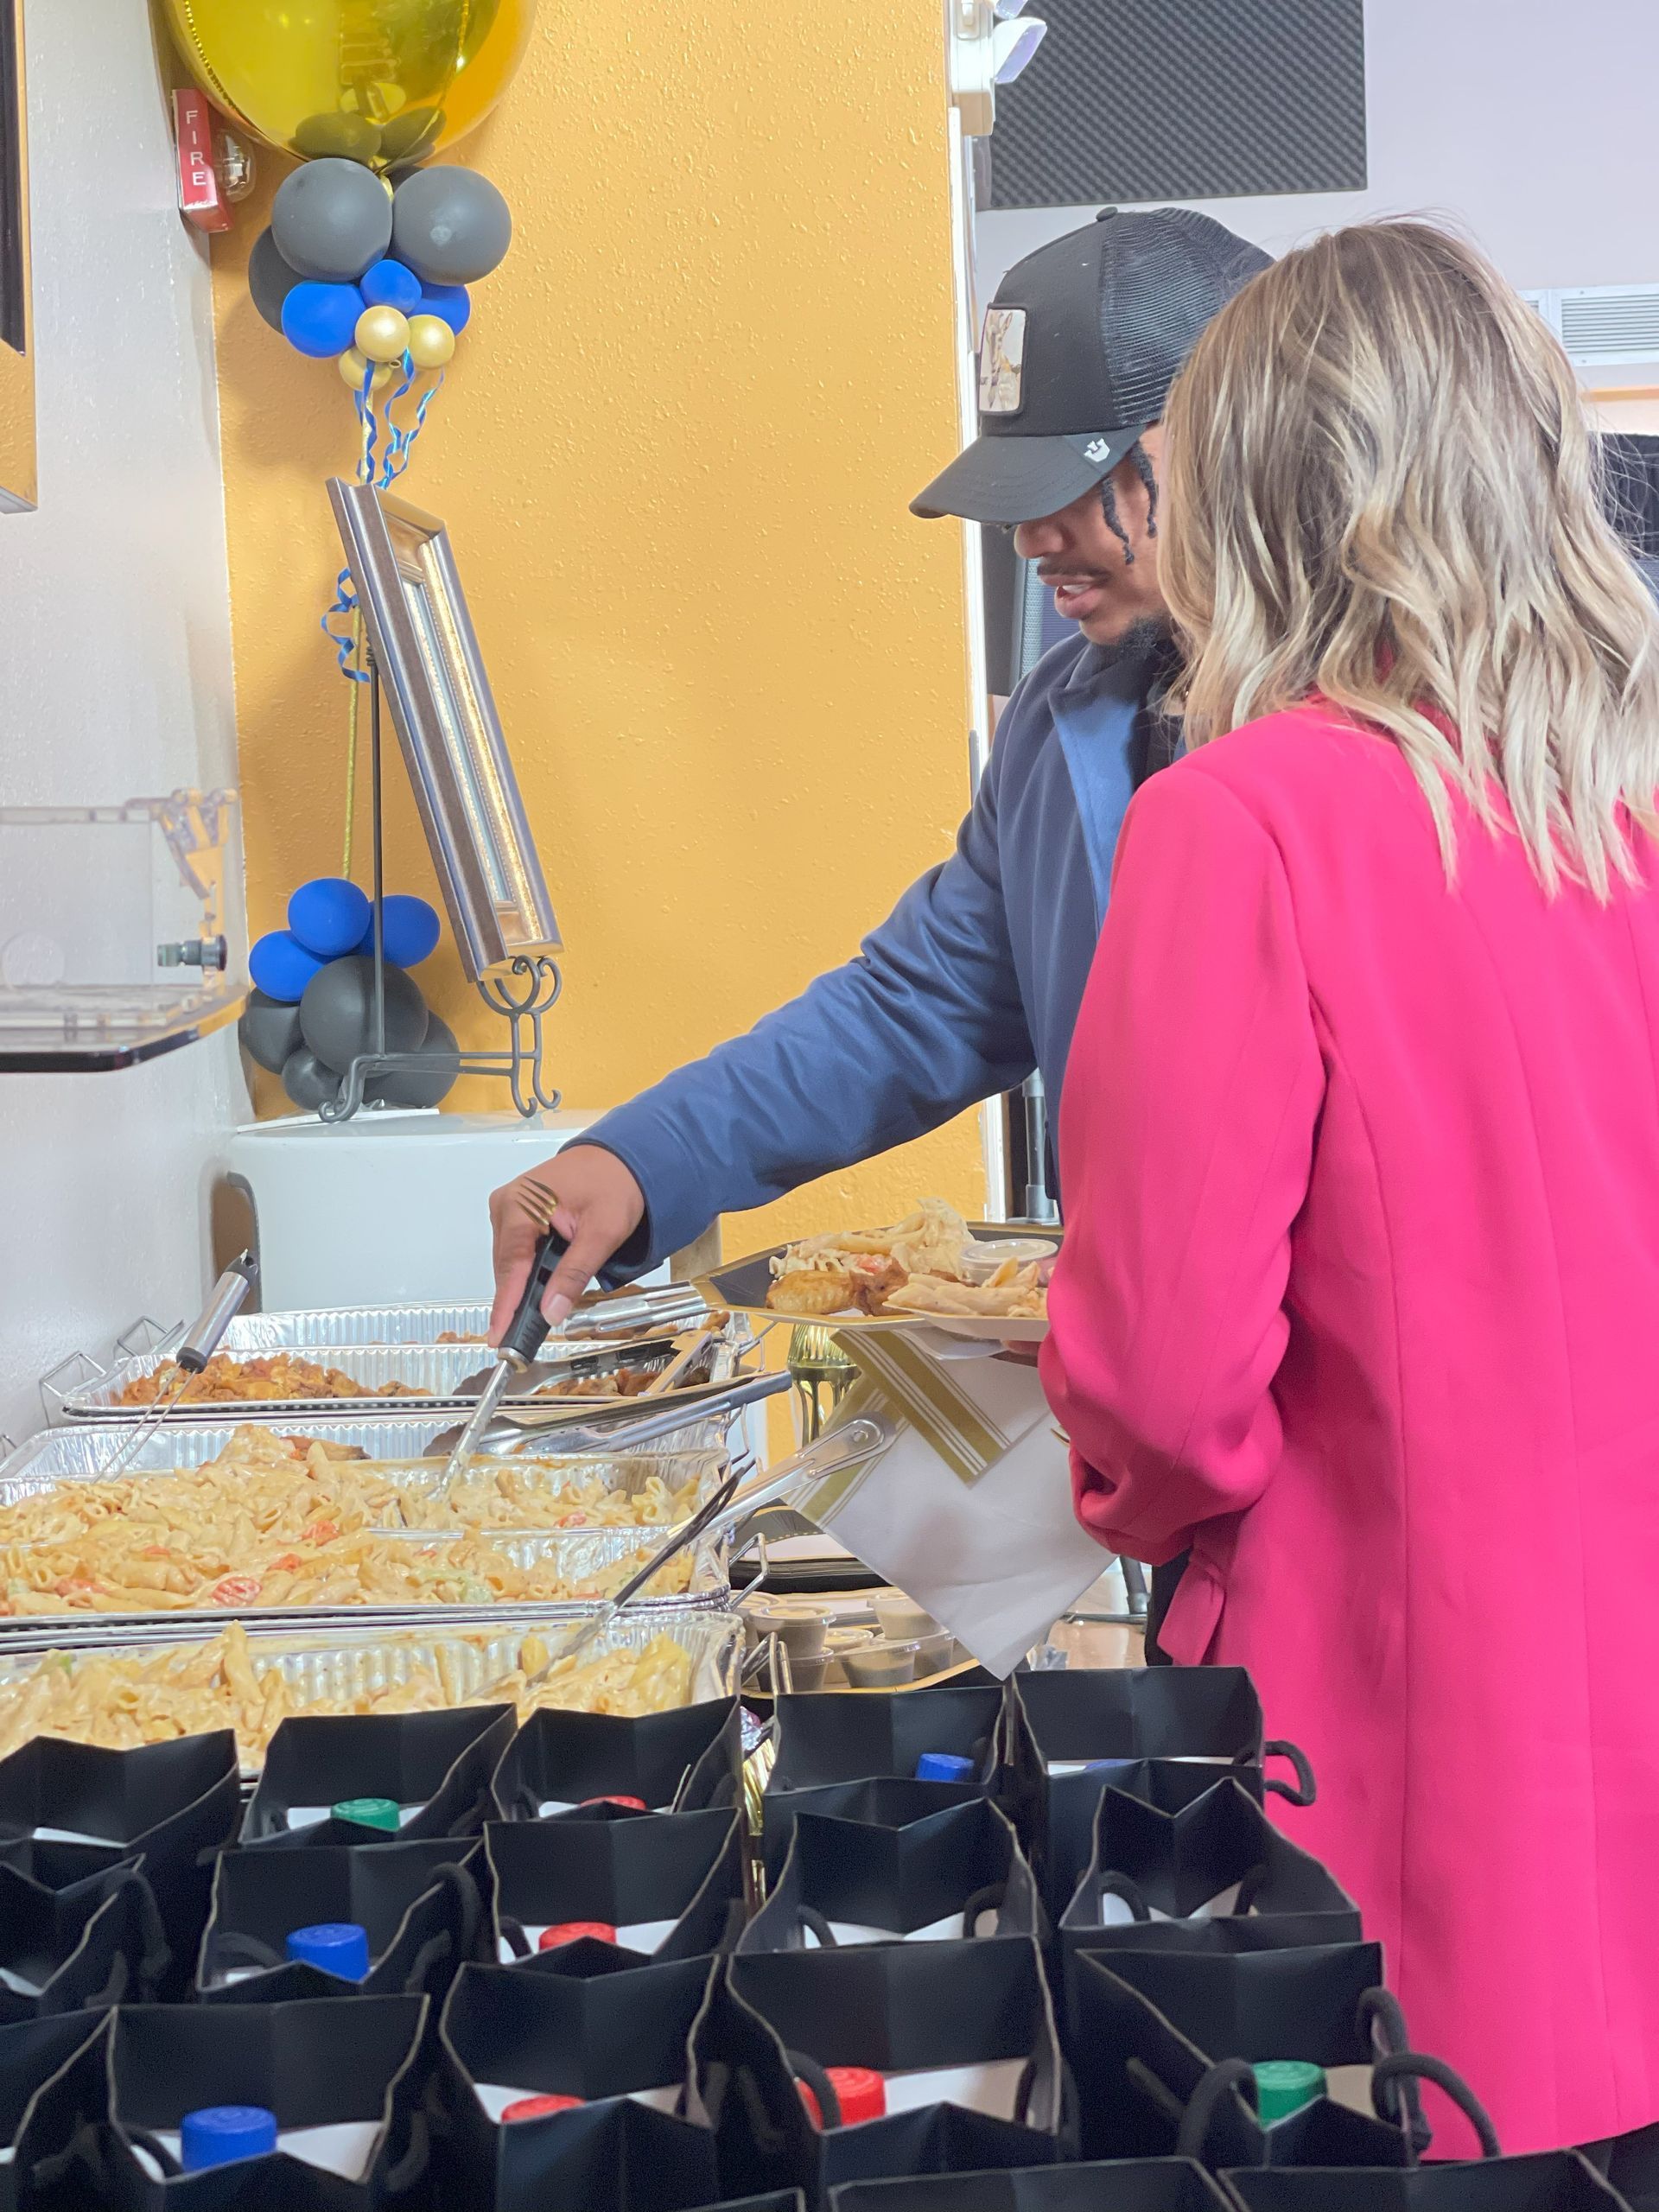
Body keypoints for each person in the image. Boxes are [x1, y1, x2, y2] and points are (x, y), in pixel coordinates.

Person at [1040, 218, 1659, 2153]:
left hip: (1384, 1784)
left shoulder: (1238, 821)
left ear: (1254, 497)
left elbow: (1161, 1391)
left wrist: (1107, 1488)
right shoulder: (1626, 795)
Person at [486, 208, 1268, 1339]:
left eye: (1072, 480)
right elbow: (919, 1005)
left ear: (1229, 444)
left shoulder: (1418, 744)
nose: (1029, 539)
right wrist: (643, 1157)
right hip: (1161, 1406)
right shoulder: (1059, 731)